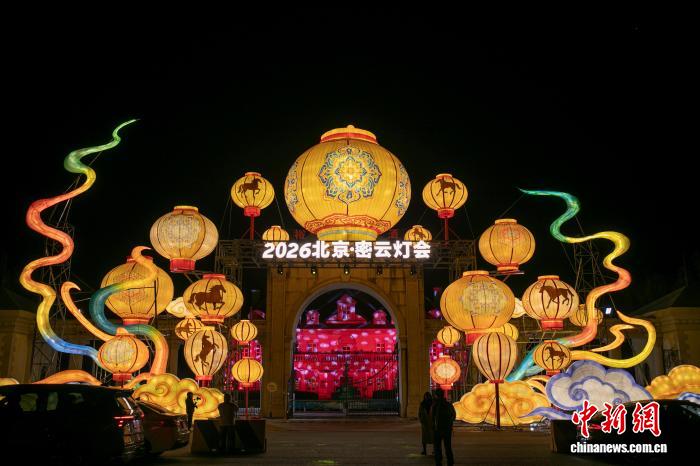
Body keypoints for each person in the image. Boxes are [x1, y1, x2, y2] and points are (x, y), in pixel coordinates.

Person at [430, 388, 456, 466]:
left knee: (437, 447)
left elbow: (432, 418)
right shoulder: (448, 404)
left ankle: (438, 461)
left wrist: (433, 427)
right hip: (447, 429)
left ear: (436, 395)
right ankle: (450, 461)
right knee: (448, 446)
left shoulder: (435, 405)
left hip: (438, 429)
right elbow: (454, 415)